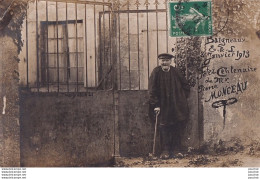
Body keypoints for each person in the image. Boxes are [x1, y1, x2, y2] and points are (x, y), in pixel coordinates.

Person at [148, 53, 190, 159]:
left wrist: (181, 99)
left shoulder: (176, 72)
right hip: (162, 106)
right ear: (159, 61)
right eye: (162, 60)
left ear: (170, 61)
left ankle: (176, 150)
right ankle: (165, 151)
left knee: (177, 127)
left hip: (176, 105)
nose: (164, 62)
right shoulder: (156, 72)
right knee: (164, 127)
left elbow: (185, 85)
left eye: (167, 60)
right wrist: (156, 105)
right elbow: (151, 90)